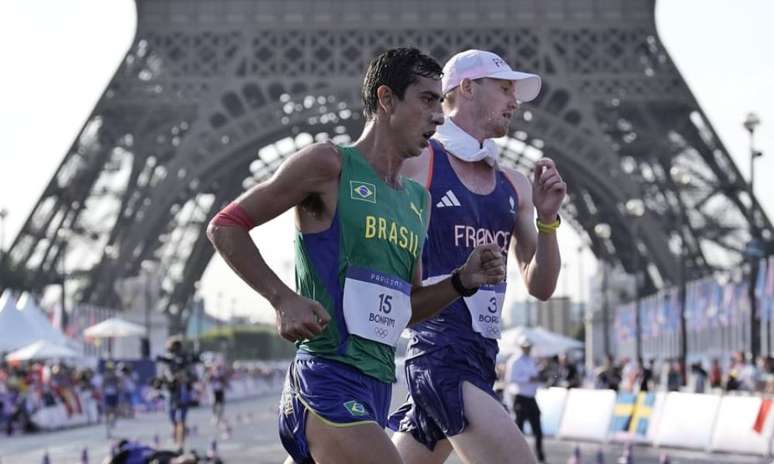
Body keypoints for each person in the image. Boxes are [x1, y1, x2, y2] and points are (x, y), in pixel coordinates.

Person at [207, 47, 507, 464]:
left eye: (441, 101)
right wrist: (282, 298)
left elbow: (407, 308)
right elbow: (225, 225)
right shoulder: (329, 164)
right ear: (386, 99)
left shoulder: (418, 201)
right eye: (426, 100)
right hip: (326, 377)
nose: (439, 116)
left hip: (377, 388)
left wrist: (461, 280)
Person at [387, 49, 564, 464]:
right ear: (466, 88)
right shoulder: (420, 163)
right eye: (505, 88)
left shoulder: (515, 185)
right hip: (440, 356)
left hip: (481, 357)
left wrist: (549, 220)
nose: (514, 101)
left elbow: (541, 286)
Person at [506, 338, 545, 463]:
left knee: (538, 429)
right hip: (520, 398)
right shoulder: (515, 361)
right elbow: (510, 379)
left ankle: (540, 457)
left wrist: (537, 379)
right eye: (525, 347)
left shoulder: (531, 360)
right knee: (519, 430)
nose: (528, 349)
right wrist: (529, 379)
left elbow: (535, 377)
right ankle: (516, 457)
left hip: (531, 398)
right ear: (521, 347)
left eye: (529, 347)